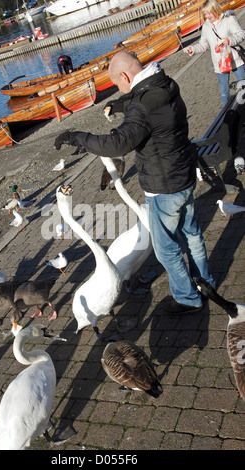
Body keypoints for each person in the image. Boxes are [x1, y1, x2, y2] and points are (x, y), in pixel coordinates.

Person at [54, 51, 215, 315]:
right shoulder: (166, 84)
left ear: (126, 76)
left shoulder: (143, 106)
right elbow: (147, 105)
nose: (119, 89)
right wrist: (120, 105)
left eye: (118, 84)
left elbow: (118, 143)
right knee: (192, 234)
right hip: (184, 173)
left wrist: (78, 136)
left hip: (163, 185)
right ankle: (205, 283)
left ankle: (188, 299)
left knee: (166, 250)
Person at [183, 0, 245, 106]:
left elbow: (241, 34)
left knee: (243, 88)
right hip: (220, 63)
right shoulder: (206, 26)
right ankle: (226, 117)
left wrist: (230, 40)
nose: (207, 16)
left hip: (235, 60)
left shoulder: (229, 19)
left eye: (208, 13)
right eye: (205, 14)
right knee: (224, 93)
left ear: (215, 9)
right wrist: (192, 49)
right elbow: (203, 45)